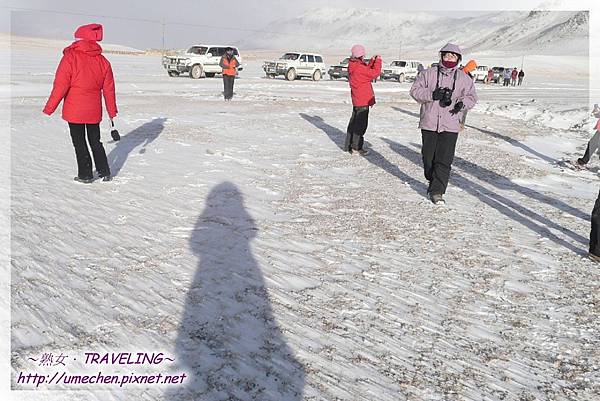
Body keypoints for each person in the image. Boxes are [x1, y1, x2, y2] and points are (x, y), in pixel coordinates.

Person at [43, 23, 117, 183]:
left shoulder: (70, 58)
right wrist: (112, 112)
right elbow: (109, 90)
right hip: (93, 110)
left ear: (79, 39)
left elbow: (60, 86)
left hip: (74, 110)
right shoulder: (103, 61)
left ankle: (85, 174)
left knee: (79, 142)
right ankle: (104, 171)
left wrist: (50, 108)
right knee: (95, 141)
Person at [409, 43, 477, 205]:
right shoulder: (428, 74)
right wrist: (432, 94)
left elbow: (472, 97)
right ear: (441, 56)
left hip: (451, 123)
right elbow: (415, 91)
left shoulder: (463, 78)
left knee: (444, 159)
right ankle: (432, 179)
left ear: (458, 59)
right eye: (447, 56)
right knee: (428, 158)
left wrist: (462, 104)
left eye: (453, 57)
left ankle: (437, 191)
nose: (449, 59)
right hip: (430, 122)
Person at [345, 44, 382, 156]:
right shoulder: (359, 68)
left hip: (357, 100)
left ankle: (349, 145)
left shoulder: (354, 65)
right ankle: (356, 147)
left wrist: (372, 61)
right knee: (360, 125)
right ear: (361, 55)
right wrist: (378, 61)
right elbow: (374, 73)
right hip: (362, 100)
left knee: (354, 123)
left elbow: (366, 70)